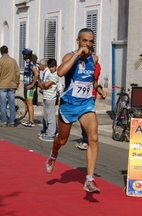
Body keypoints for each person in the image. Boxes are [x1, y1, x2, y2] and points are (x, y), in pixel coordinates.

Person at [45, 28, 101, 193]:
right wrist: (77, 54)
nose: (88, 44)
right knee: (62, 140)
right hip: (69, 105)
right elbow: (61, 72)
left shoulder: (94, 59)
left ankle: (89, 180)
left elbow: (93, 80)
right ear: (78, 41)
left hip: (86, 104)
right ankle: (54, 154)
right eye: (85, 41)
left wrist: (100, 89)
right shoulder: (70, 56)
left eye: (91, 42)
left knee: (94, 137)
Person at [0, 45, 20, 127]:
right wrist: (17, 83)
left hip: (2, 85)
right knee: (12, 103)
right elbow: (17, 73)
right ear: (7, 51)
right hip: (12, 84)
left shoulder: (0, 61)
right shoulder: (13, 61)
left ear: (1, 52)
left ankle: (4, 121)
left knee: (3, 104)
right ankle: (12, 121)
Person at [38, 58, 59, 141]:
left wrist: (44, 85)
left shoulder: (55, 75)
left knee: (50, 117)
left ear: (56, 66)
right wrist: (44, 85)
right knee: (46, 116)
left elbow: (46, 85)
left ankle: (51, 134)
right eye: (50, 67)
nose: (51, 69)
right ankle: (48, 131)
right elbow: (41, 84)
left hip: (51, 98)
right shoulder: (49, 74)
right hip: (46, 97)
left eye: (53, 67)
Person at [21, 48, 39, 127]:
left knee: (30, 103)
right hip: (26, 85)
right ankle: (29, 119)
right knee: (28, 103)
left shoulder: (31, 63)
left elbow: (36, 74)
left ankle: (31, 121)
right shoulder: (27, 63)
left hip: (30, 87)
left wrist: (32, 84)